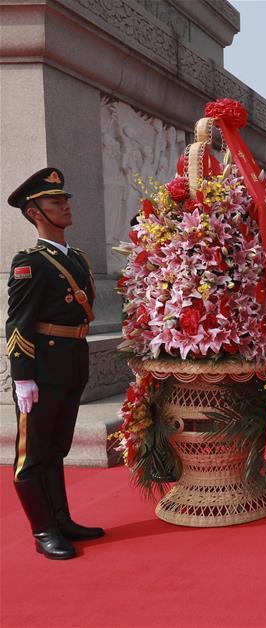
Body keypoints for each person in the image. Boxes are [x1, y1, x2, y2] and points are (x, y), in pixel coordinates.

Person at [6, 168, 104, 560]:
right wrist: (23, 378)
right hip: (42, 368)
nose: (65, 205)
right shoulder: (30, 263)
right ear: (35, 213)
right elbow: (18, 323)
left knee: (56, 449)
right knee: (32, 456)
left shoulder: (76, 258)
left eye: (65, 199)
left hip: (70, 363)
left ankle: (61, 519)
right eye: (55, 201)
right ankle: (43, 531)